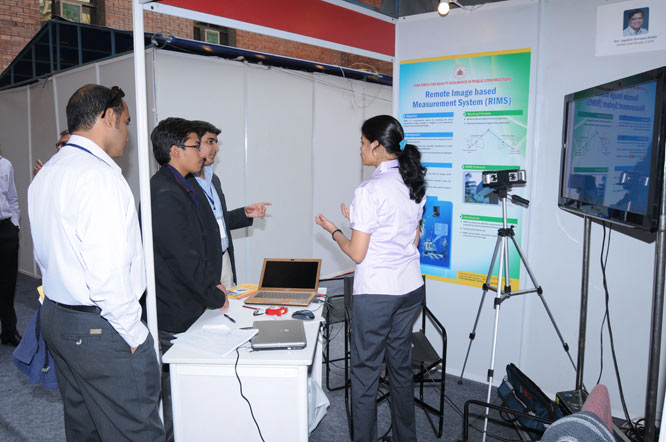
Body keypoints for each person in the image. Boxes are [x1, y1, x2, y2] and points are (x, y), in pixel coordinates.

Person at [28, 84, 165, 441]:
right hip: (101, 326)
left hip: (58, 317)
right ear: (107, 117)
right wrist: (134, 334)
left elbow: (44, 255)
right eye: (126, 122)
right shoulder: (99, 177)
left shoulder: (48, 172)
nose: (128, 134)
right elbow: (107, 274)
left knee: (85, 426)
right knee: (135, 430)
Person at [314, 115, 427, 442]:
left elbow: (357, 253)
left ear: (377, 146)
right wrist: (361, 222)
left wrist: (334, 230)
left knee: (364, 376)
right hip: (410, 289)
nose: (360, 149)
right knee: (400, 368)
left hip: (378, 293)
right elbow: (411, 239)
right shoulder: (413, 182)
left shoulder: (369, 189)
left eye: (363, 143)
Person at [192, 120, 271, 288]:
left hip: (224, 258)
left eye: (216, 142)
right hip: (203, 265)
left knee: (231, 302)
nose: (216, 148)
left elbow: (216, 220)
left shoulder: (214, 179)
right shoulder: (184, 183)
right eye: (210, 142)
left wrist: (245, 213)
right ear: (195, 144)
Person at [0, 152, 20, 346]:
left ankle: (9, 331)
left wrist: (15, 225)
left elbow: (12, 198)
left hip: (5, 229)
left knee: (8, 283)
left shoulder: (5, 164)